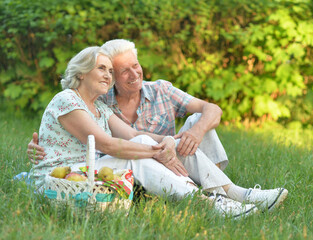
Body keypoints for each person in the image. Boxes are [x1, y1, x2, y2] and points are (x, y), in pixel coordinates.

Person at [28, 40, 288, 213]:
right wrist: (157, 151)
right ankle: (210, 204)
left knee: (162, 141)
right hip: (62, 181)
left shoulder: (101, 107)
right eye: (103, 69)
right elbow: (108, 144)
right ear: (82, 72)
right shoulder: (68, 100)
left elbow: (131, 134)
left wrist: (168, 143)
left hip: (91, 174)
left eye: (109, 70)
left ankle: (233, 195)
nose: (108, 75)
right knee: (142, 149)